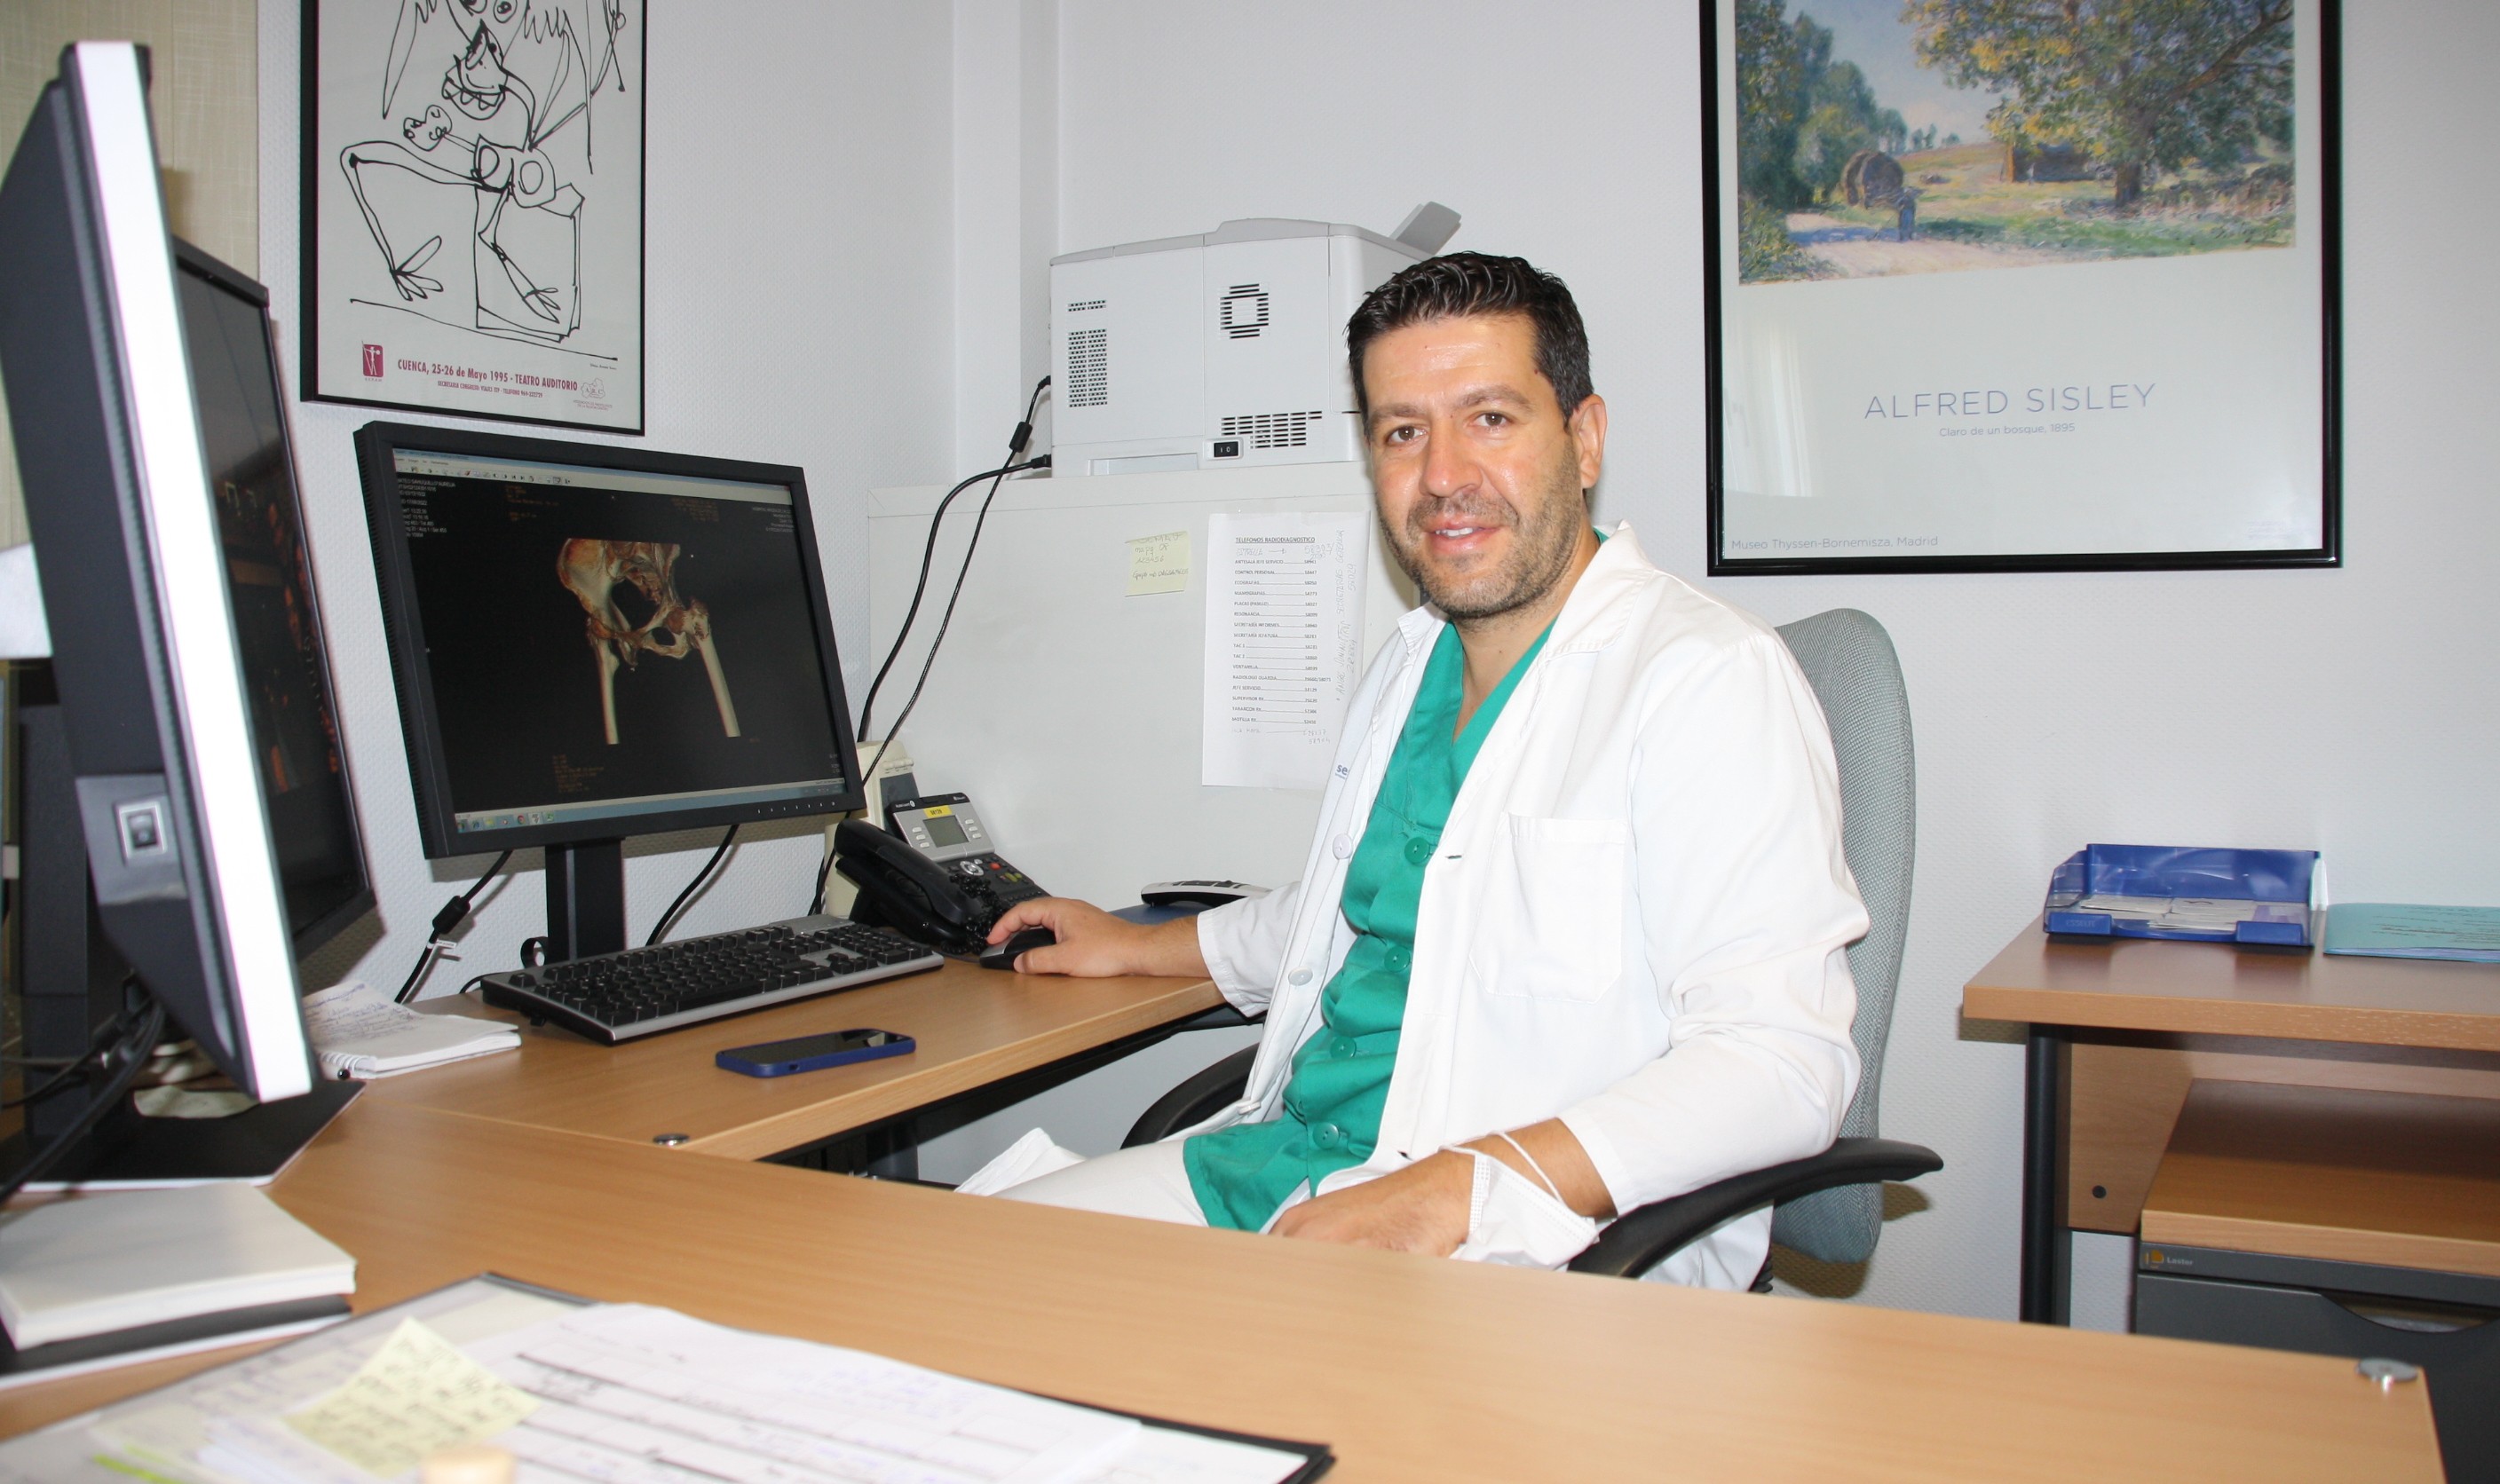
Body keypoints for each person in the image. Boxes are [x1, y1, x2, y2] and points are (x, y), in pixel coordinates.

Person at [968, 253, 1865, 1288]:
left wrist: (1457, 1188)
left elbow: (1782, 1063)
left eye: (1488, 418)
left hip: (1519, 1239)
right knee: (943, 1271)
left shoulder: (1703, 676)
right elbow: (1358, 909)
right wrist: (1134, 944)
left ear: (1582, 440)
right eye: (1402, 432)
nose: (1442, 475)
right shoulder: (1412, 662)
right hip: (1278, 1171)